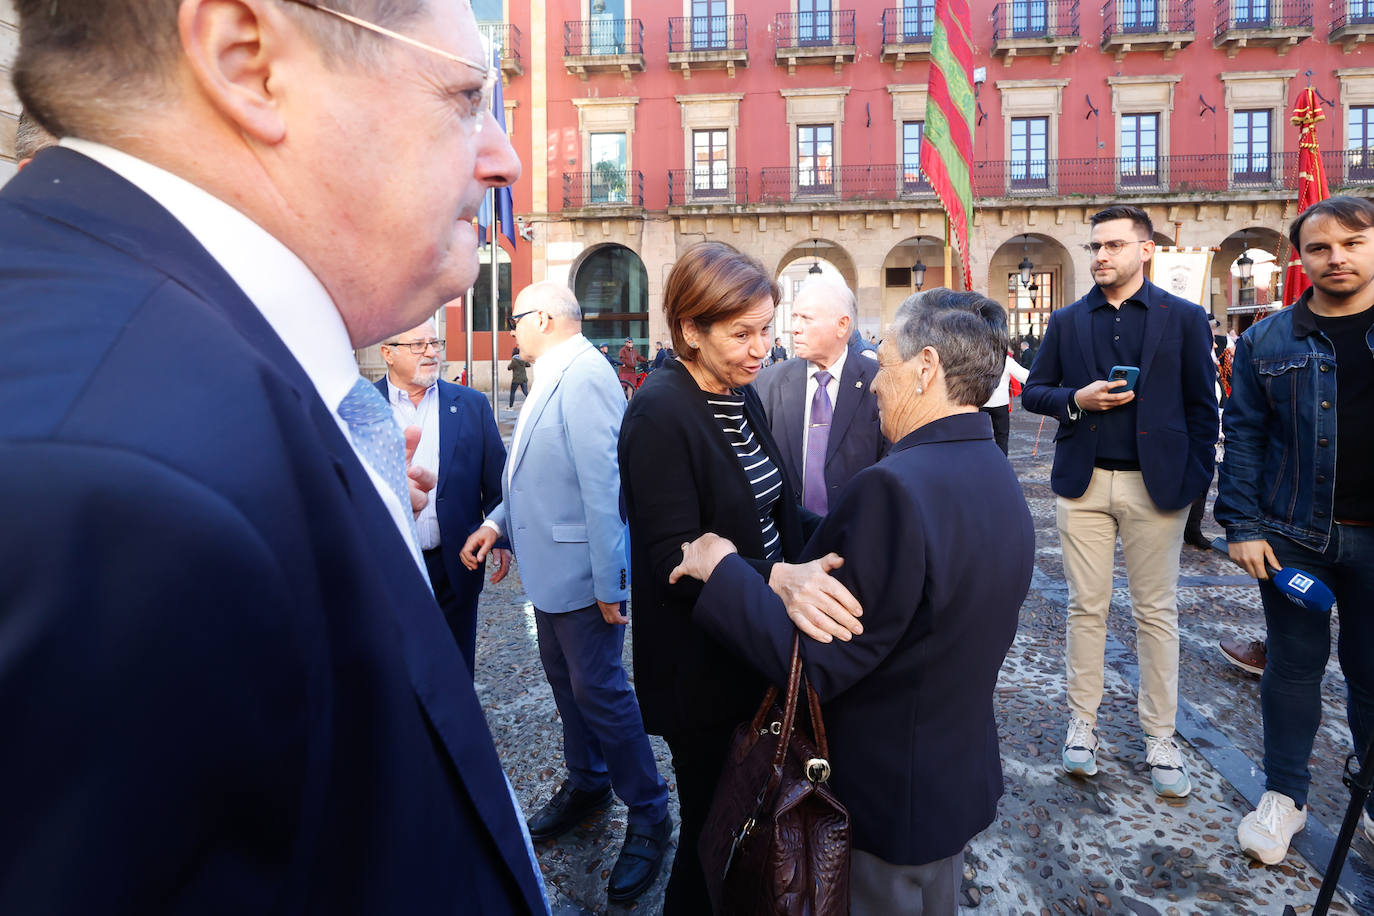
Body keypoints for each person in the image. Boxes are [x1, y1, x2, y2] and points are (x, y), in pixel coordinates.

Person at [0, 0, 547, 913]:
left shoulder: (141, 356)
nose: (502, 157)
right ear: (247, 61)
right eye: (463, 96)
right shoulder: (112, 488)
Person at [672, 288, 1035, 916]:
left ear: (926, 368)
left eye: (886, 363)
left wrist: (723, 570)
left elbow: (817, 663)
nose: (873, 385)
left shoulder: (892, 489)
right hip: (946, 780)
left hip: (881, 800)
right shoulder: (993, 469)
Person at [617, 241, 861, 914]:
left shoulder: (736, 391)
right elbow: (673, 558)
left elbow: (779, 512)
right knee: (712, 836)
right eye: (742, 334)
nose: (762, 349)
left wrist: (864, 528)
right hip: (700, 673)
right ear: (690, 330)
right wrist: (779, 575)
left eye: (766, 332)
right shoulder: (660, 414)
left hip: (751, 649)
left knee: (745, 825)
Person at [461, 281, 672, 904]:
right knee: (568, 685)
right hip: (552, 572)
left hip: (583, 577)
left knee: (602, 693)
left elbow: (605, 485)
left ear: (546, 318)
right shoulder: (555, 370)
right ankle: (588, 781)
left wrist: (613, 583)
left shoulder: (581, 375)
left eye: (516, 318)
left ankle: (650, 810)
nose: (511, 330)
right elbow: (533, 475)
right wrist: (497, 523)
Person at [1022, 204, 1218, 799]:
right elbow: (1034, 391)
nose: (1101, 256)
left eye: (1112, 246)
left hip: (1155, 489)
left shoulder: (1183, 318)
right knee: (1088, 609)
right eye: (1094, 247)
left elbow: (1202, 410)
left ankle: (1160, 733)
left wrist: (1193, 483)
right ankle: (1082, 725)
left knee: (1157, 613)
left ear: (1146, 249)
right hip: (1083, 486)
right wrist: (1075, 400)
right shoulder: (1067, 320)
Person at [1215, 195, 1374, 865]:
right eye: (1320, 246)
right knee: (1290, 671)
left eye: (1353, 243)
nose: (1336, 256)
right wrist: (1243, 525)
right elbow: (1245, 435)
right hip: (1292, 537)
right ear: (1300, 257)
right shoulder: (1265, 340)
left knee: (1372, 675)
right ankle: (1285, 795)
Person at [379, 321, 509, 678]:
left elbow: (497, 481)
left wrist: (498, 534)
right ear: (387, 353)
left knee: (454, 673)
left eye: (435, 343)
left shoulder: (471, 405)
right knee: (397, 675)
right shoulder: (361, 409)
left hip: (455, 565)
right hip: (388, 570)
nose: (432, 353)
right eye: (418, 345)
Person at [754, 274, 887, 515]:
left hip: (858, 534)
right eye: (794, 317)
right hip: (790, 541)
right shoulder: (767, 384)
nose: (795, 328)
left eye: (806, 318)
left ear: (842, 325)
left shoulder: (878, 382)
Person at [981, 346, 1030, 455]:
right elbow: (1026, 376)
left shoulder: (978, 357)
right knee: (1002, 438)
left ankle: (981, 464)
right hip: (1000, 403)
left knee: (980, 437)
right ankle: (1001, 465)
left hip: (981, 401)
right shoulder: (1006, 360)